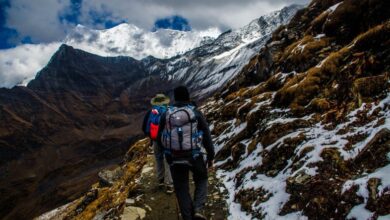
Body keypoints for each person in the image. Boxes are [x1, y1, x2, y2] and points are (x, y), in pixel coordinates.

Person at [157, 86, 215, 220]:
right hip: (194, 155)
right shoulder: (195, 113)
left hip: (174, 157)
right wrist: (211, 156)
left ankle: (188, 216)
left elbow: (159, 137)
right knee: (202, 178)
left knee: (181, 188)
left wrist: (167, 153)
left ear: (174, 98)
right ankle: (198, 209)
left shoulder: (166, 114)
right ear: (188, 97)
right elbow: (206, 135)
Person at [142, 94, 173, 193]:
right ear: (165, 102)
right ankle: (169, 185)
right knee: (168, 161)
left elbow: (144, 127)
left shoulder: (151, 112)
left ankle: (160, 180)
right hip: (167, 139)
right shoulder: (170, 111)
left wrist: (152, 137)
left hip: (156, 140)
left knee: (158, 159)